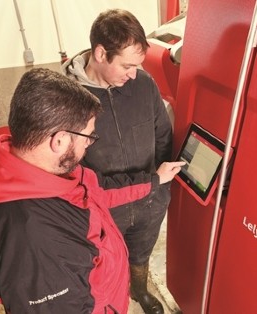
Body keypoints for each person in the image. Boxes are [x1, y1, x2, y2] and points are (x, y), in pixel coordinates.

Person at [0, 68, 183, 314]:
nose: (88, 144)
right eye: (87, 137)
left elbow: (99, 190)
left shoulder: (47, 174)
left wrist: (155, 180)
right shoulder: (32, 243)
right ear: (59, 140)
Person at [63, 9, 173, 314]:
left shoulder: (143, 84)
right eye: (127, 65)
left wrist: (161, 190)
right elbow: (69, 169)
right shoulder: (68, 98)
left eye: (138, 65)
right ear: (101, 53)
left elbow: (163, 135)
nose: (134, 74)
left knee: (141, 254)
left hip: (150, 200)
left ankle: (139, 289)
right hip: (104, 209)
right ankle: (114, 302)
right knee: (103, 265)